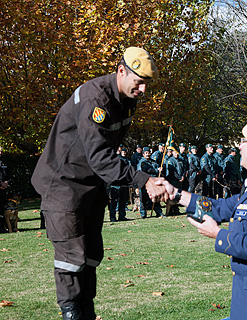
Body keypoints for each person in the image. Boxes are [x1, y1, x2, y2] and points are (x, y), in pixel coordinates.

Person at [30, 47, 167, 320]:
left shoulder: (126, 99)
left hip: (90, 190)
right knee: (71, 259)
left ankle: (86, 313)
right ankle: (72, 313)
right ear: (121, 71)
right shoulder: (96, 99)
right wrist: (145, 180)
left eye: (146, 84)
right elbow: (101, 158)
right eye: (138, 82)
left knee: (91, 256)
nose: (142, 90)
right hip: (63, 187)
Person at [158, 118, 247, 320]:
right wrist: (176, 195)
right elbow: (218, 207)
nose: (239, 146)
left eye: (244, 141)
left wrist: (218, 234)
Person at [138, 148, 163, 218]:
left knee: (155, 198)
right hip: (144, 183)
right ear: (143, 154)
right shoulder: (142, 162)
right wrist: (156, 170)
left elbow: (156, 168)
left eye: (148, 153)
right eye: (146, 153)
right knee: (143, 199)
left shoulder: (153, 162)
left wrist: (160, 169)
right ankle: (143, 214)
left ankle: (159, 212)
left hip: (152, 183)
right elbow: (147, 169)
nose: (147, 154)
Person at [0, 146, 10, 233]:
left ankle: (3, 226)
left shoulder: (4, 162)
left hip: (3, 189)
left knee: (2, 208)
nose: (0, 153)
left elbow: (8, 174)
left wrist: (6, 183)